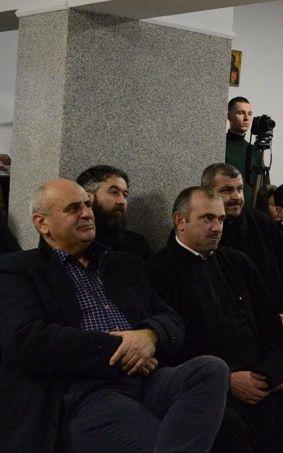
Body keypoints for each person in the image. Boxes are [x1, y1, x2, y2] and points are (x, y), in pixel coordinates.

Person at [0, 178, 229, 451]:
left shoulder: (123, 264)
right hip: (85, 389)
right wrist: (122, 348)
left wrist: (150, 335)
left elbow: (172, 321)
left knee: (211, 369)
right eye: (73, 208)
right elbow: (28, 341)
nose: (87, 213)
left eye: (87, 205)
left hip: (148, 379)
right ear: (42, 223)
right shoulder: (17, 270)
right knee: (155, 441)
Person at [147, 187, 283, 453]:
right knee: (236, 438)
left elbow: (269, 323)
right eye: (207, 219)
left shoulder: (237, 262)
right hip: (215, 386)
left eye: (221, 219)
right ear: (180, 221)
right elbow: (173, 343)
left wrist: (274, 370)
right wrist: (227, 381)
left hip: (262, 375)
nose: (217, 228)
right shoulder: (158, 271)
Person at [201, 163, 283, 311]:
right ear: (207, 193)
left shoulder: (261, 222)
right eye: (226, 190)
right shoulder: (197, 230)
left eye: (240, 189)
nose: (236, 197)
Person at [76, 164, 153, 259]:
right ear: (88, 197)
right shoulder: (75, 242)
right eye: (114, 192)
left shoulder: (137, 243)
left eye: (125, 195)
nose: (122, 201)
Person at [225, 96, 256, 206]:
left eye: (250, 114)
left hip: (251, 210)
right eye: (241, 113)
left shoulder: (255, 150)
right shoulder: (220, 145)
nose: (247, 118)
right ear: (229, 116)